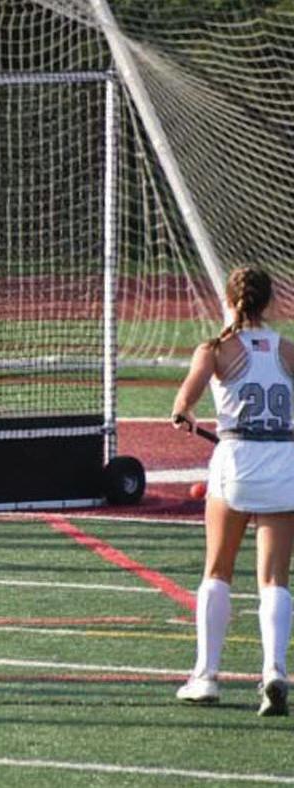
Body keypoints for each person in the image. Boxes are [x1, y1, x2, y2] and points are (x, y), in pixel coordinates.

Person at [171, 265, 294, 716]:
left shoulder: (215, 349)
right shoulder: (288, 350)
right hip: (283, 461)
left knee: (218, 570)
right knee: (275, 578)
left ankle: (206, 676)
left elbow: (184, 403)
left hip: (236, 462)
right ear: (270, 302)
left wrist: (184, 415)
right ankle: (275, 670)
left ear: (228, 300)